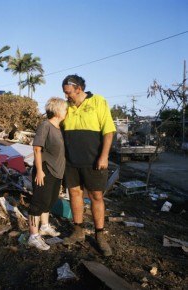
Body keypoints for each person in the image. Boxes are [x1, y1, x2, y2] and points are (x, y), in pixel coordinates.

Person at [61, 74, 116, 257]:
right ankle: (78, 231)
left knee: (96, 196)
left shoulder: (98, 102)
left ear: (79, 88)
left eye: (68, 92)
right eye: (65, 93)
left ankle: (100, 235)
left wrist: (104, 156)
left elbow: (108, 132)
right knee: (74, 193)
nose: (66, 96)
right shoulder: (65, 107)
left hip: (94, 160)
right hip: (71, 161)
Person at [28, 97, 68, 251]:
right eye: (64, 109)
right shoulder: (45, 126)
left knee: (49, 202)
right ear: (57, 111)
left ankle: (44, 226)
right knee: (37, 203)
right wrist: (39, 171)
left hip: (57, 172)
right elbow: (37, 149)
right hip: (45, 170)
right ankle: (33, 236)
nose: (66, 112)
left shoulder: (59, 129)